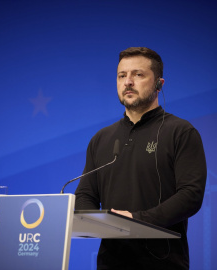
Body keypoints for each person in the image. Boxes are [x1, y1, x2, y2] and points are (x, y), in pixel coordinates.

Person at [75, 47, 207, 270]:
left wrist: (136, 219)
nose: (128, 82)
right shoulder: (101, 138)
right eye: (122, 75)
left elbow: (190, 195)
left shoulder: (181, 132)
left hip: (164, 264)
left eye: (138, 74)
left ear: (159, 84)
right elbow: (85, 194)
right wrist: (96, 222)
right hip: (110, 263)